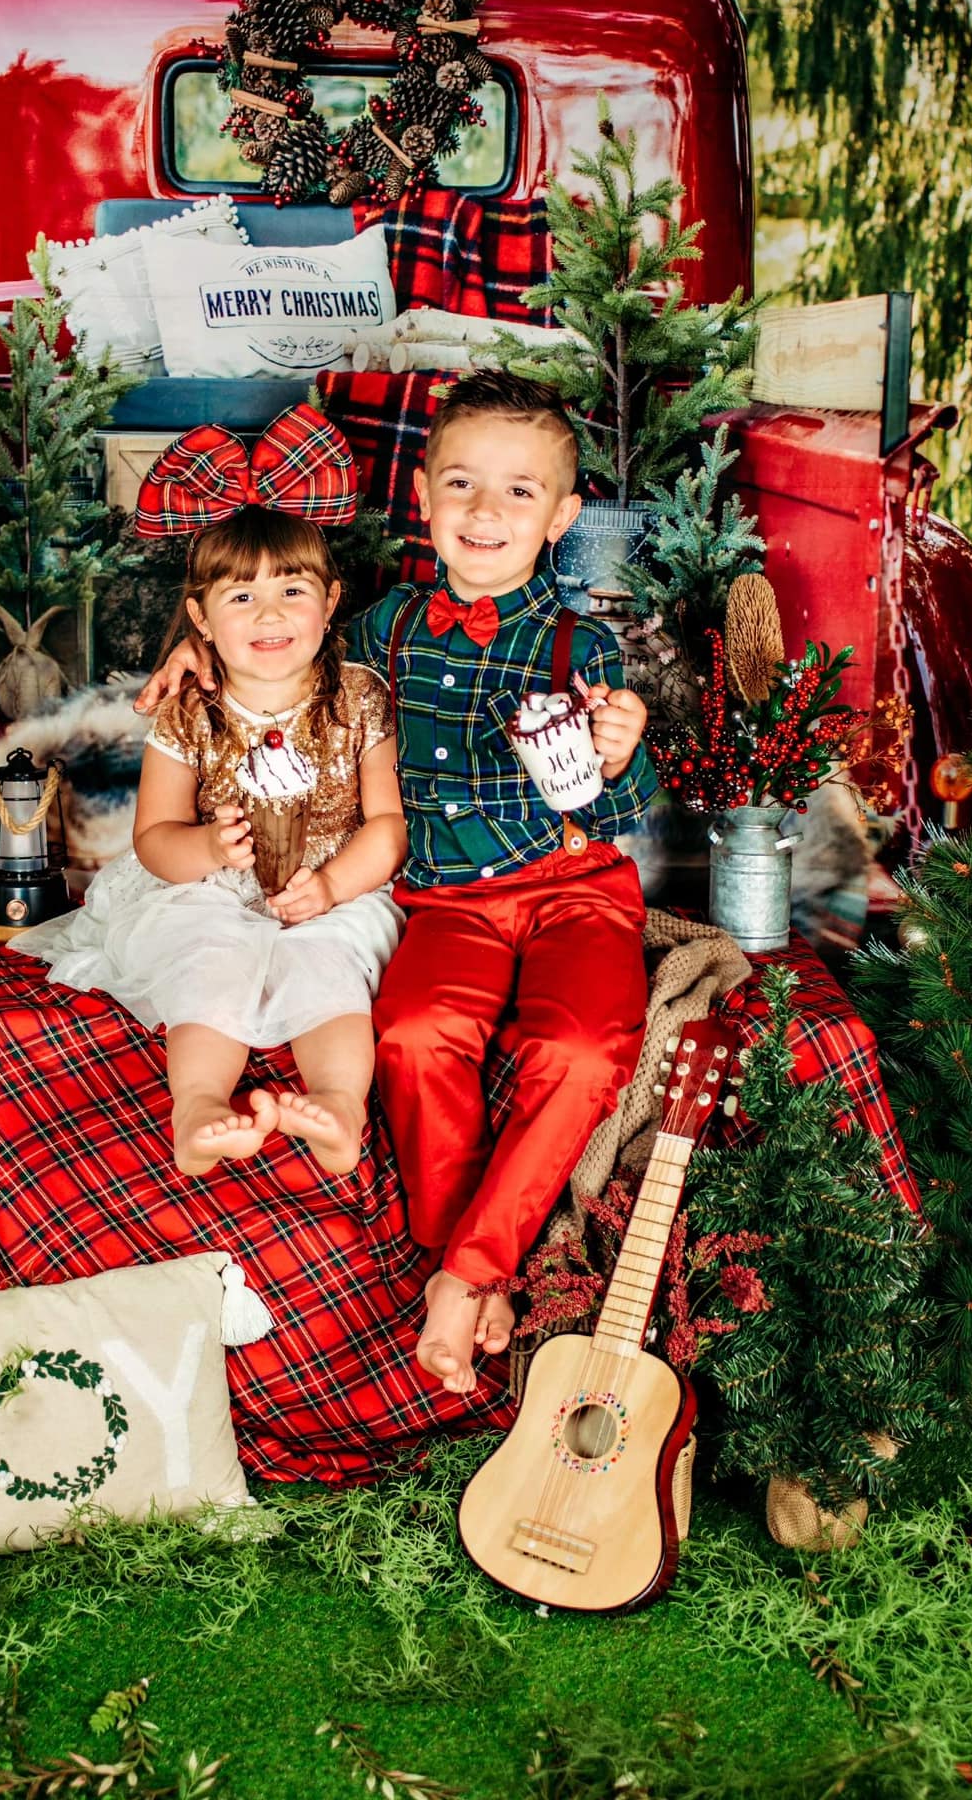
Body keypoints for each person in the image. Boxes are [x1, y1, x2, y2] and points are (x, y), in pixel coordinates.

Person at [138, 372, 658, 1392]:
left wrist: (617, 749)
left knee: (582, 1042)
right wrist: (186, 659)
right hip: (446, 901)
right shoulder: (377, 632)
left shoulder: (579, 643)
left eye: (518, 492)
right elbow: (270, 653)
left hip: (574, 887)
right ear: (422, 497)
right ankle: (475, 1269)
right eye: (461, 483)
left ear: (559, 517)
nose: (484, 511)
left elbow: (618, 808)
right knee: (414, 1034)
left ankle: (457, 1275)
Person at [16, 410, 407, 1181]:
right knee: (209, 956)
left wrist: (330, 886)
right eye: (239, 600)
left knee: (329, 966)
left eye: (292, 591)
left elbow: (387, 826)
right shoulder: (190, 708)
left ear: (330, 603)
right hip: (208, 886)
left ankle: (338, 1110)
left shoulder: (360, 697)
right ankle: (197, 1108)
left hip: (329, 887)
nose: (269, 616)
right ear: (200, 617)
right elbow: (155, 835)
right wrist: (204, 850)